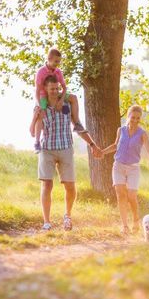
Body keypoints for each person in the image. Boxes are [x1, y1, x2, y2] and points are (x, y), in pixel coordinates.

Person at [38, 75, 102, 231]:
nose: (54, 91)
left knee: (70, 186)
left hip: (66, 148)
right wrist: (35, 118)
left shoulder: (67, 104)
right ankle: (47, 221)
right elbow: (33, 130)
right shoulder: (42, 106)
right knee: (47, 184)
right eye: (51, 88)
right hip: (47, 149)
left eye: (57, 88)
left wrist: (92, 144)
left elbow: (78, 125)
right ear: (46, 89)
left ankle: (67, 215)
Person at [101, 105, 149, 234]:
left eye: (138, 118)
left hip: (133, 168)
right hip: (118, 166)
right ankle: (125, 226)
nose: (135, 120)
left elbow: (148, 146)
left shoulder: (142, 133)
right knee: (121, 194)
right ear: (128, 116)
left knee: (131, 195)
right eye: (133, 117)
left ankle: (136, 220)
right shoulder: (121, 130)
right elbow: (115, 145)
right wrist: (103, 152)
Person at [30, 48, 87, 153]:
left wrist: (61, 100)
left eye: (59, 62)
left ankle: (77, 124)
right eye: (56, 61)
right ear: (49, 59)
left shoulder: (58, 71)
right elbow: (37, 91)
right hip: (43, 96)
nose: (57, 64)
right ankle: (37, 142)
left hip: (56, 93)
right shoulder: (41, 72)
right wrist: (40, 106)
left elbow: (64, 88)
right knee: (40, 114)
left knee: (73, 98)